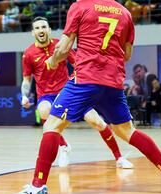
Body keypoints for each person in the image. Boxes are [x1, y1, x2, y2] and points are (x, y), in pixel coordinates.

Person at [11, 1, 161, 194]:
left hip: (85, 79)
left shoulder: (80, 6)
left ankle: (38, 185)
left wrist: (52, 60)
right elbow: (127, 54)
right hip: (113, 81)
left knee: (51, 125)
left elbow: (63, 48)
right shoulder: (125, 12)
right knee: (127, 131)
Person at [21, 16, 133, 168]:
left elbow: (79, 65)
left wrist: (80, 82)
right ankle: (64, 147)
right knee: (44, 111)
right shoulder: (28, 54)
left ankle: (119, 158)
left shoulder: (60, 46)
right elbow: (27, 80)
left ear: (49, 30)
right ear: (32, 33)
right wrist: (24, 96)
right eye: (37, 28)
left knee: (98, 123)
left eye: (43, 27)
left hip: (69, 92)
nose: (41, 30)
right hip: (47, 95)